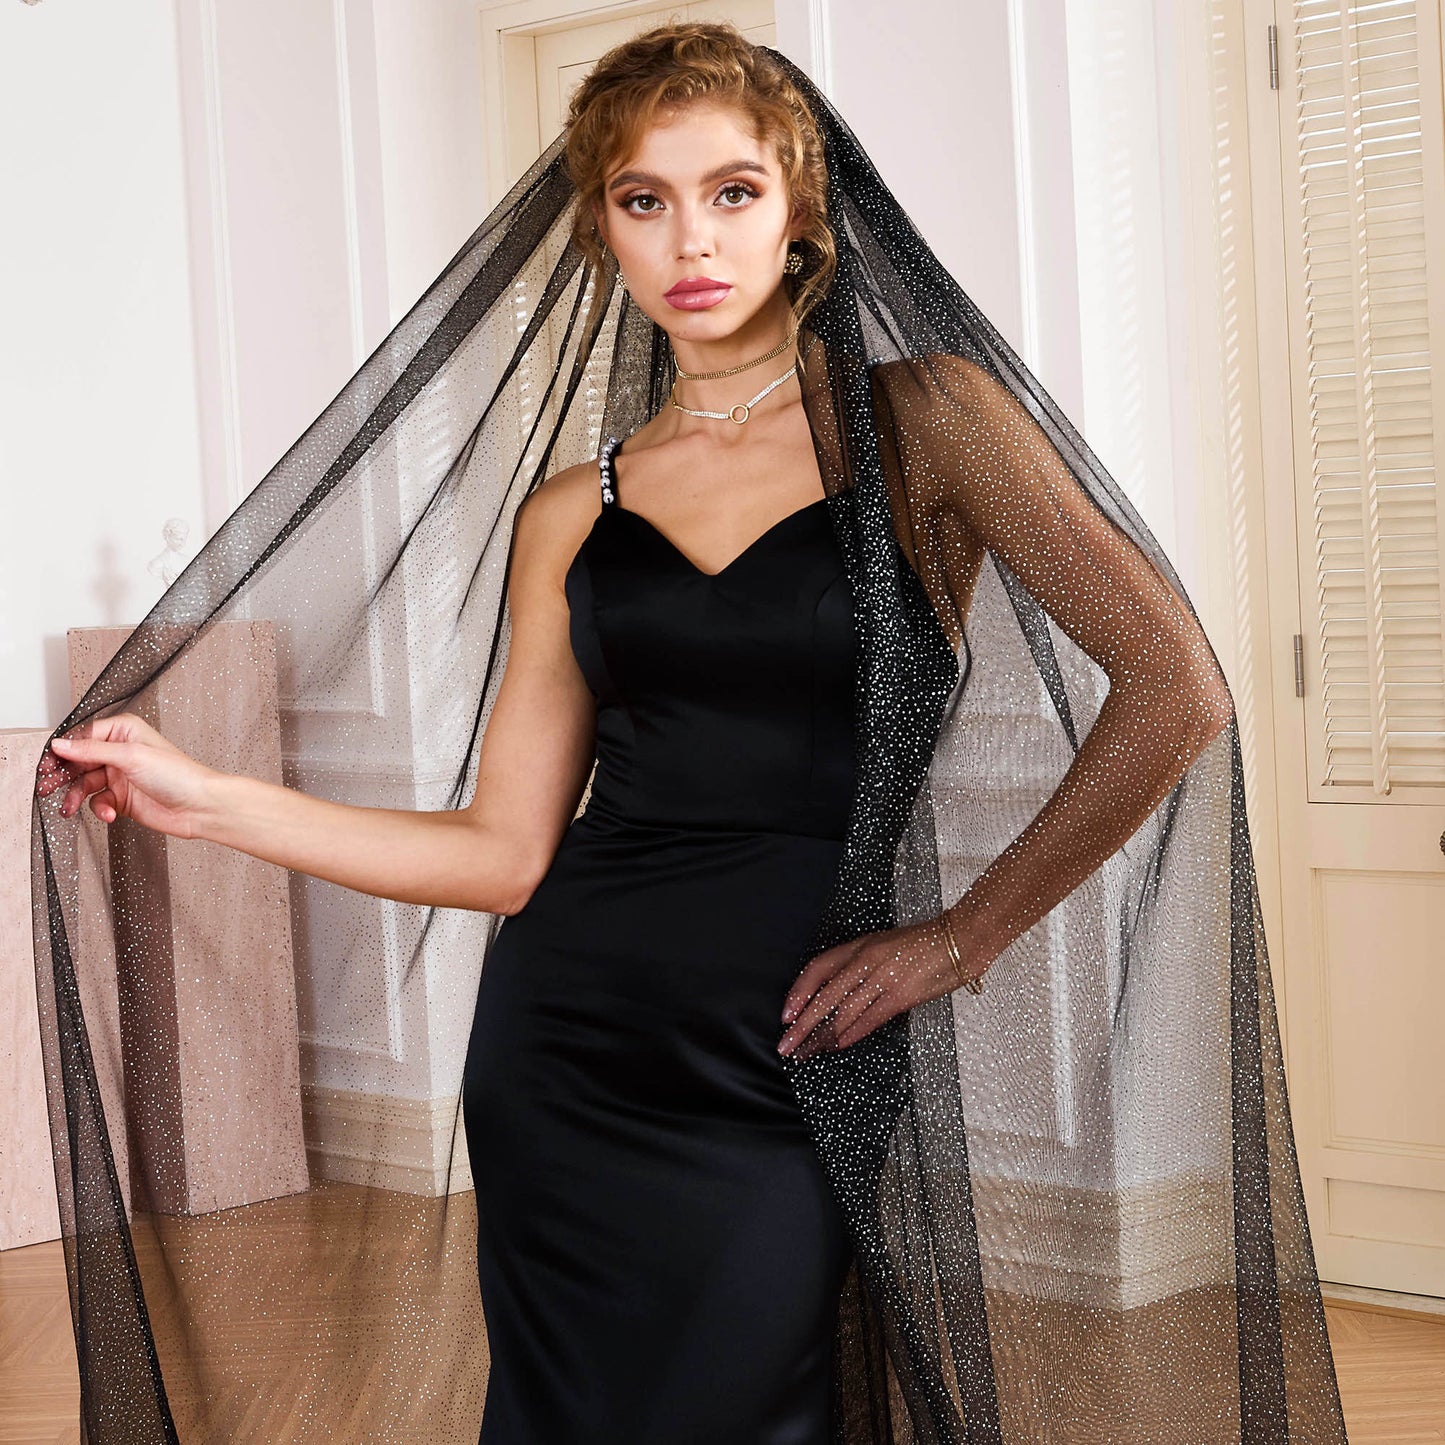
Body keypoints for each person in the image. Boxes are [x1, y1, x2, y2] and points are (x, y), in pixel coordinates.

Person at [32, 22, 1349, 1445]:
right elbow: (499, 850)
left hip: (788, 1041)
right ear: (601, 231)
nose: (689, 239)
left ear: (800, 214)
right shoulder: (570, 509)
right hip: (567, 1044)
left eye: (730, 191)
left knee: (758, 1395)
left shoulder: (926, 425)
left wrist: (959, 937)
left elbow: (1175, 685)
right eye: (642, 200)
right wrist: (201, 794)